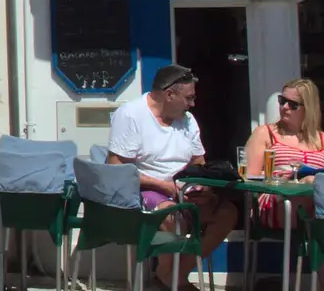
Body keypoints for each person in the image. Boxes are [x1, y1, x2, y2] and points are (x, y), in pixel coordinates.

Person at [107, 64, 238, 290]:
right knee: (171, 217)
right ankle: (173, 279)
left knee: (226, 213)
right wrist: (162, 185)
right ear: (169, 94)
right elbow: (115, 166)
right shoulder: (131, 114)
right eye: (189, 98)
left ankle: (171, 274)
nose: (192, 104)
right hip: (145, 188)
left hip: (184, 188)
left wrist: (201, 186)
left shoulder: (187, 120)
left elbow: (198, 161)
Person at [243, 77, 324, 228]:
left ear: (308, 108)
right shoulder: (265, 133)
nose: (284, 107)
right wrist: (290, 180)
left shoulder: (322, 139)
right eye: (282, 101)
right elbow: (249, 177)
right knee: (313, 184)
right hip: (276, 201)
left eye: (293, 104)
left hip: (315, 202)